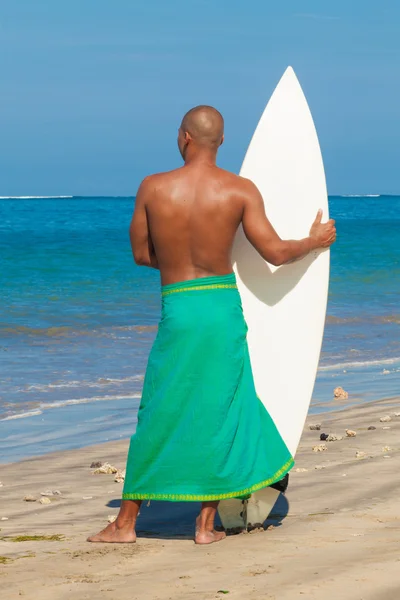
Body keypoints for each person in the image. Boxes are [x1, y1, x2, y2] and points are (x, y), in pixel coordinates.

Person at [88, 105, 336, 545]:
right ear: (221, 143)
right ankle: (204, 527)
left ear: (183, 136)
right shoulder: (239, 190)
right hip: (221, 308)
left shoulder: (153, 187)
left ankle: (125, 523)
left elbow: (142, 255)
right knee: (222, 409)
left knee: (158, 411)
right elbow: (276, 253)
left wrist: (179, 262)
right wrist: (314, 242)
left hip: (178, 308)